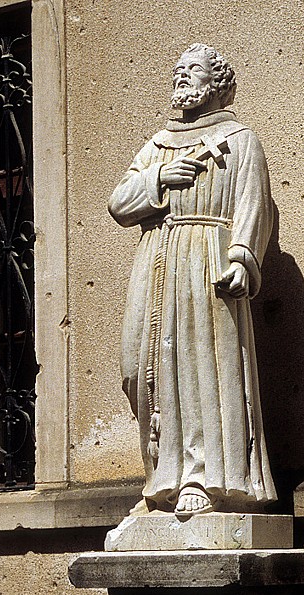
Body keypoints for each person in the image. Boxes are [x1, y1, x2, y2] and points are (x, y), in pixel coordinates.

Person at [108, 43, 277, 516]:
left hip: (207, 260)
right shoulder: (159, 144)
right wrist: (161, 177)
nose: (182, 77)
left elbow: (253, 204)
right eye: (178, 70)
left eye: (193, 70)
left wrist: (243, 259)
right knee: (139, 370)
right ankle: (162, 471)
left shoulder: (240, 139)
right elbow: (119, 204)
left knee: (203, 367)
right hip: (158, 259)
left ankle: (201, 477)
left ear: (215, 82)